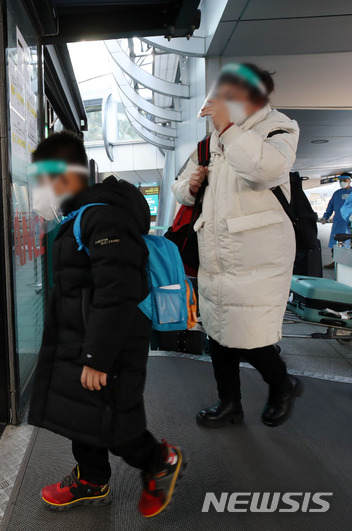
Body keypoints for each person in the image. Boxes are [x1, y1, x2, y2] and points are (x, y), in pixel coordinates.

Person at [28, 132, 185, 518]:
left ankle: (160, 461)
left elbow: (118, 292)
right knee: (82, 418)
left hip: (109, 347)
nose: (37, 190)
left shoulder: (103, 216)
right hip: (82, 341)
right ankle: (92, 480)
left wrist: (97, 357)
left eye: (40, 179)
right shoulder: (80, 216)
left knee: (117, 423)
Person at [172, 63, 302, 429]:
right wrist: (192, 186)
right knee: (218, 331)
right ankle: (229, 404)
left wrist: (229, 128)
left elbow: (266, 170)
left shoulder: (279, 126)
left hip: (258, 252)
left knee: (249, 332)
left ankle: (282, 383)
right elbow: (179, 187)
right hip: (215, 250)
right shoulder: (208, 141)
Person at [320, 174, 351, 267]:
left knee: (349, 243)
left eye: (345, 180)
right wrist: (325, 217)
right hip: (338, 222)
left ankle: (347, 264)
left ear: (350, 180)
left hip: (350, 221)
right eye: (340, 181)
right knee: (335, 243)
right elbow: (330, 207)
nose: (342, 182)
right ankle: (335, 263)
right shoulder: (337, 193)